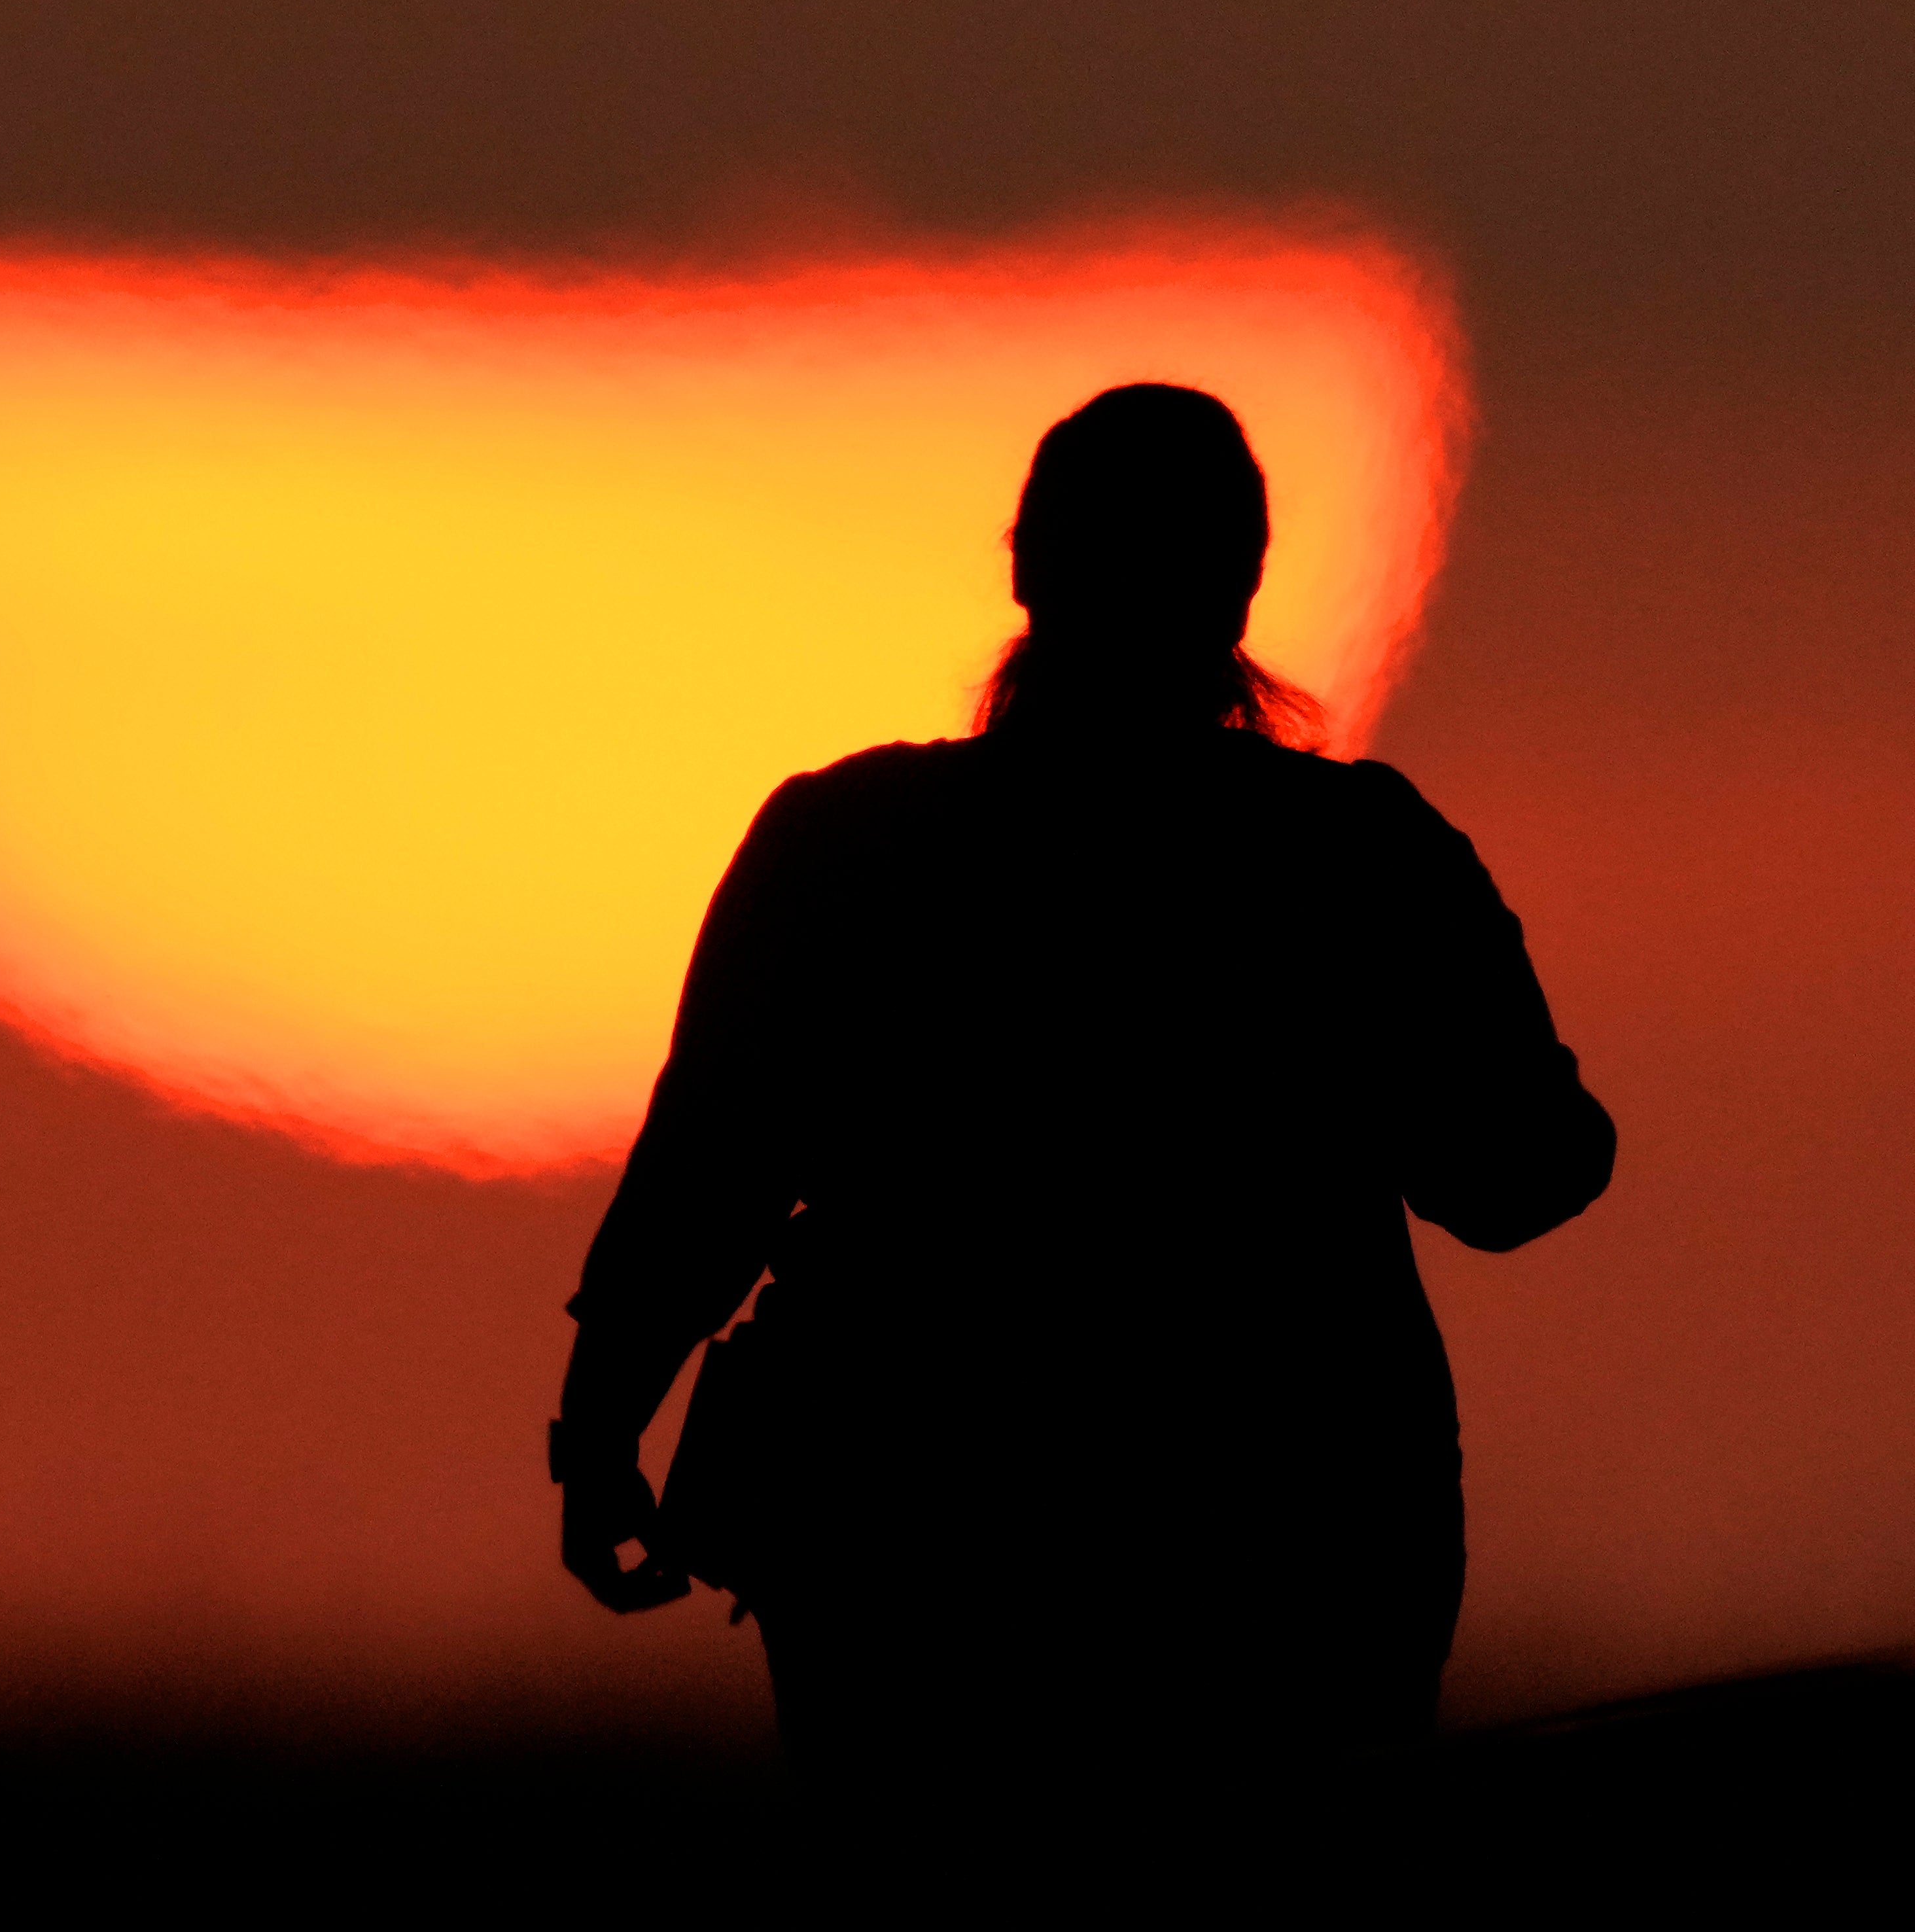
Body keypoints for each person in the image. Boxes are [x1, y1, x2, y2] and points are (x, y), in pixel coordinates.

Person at [552, 383, 1614, 1791]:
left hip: (910, 1547)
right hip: (1290, 1542)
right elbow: (1515, 1176)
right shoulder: (1358, 859)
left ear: (1022, 567)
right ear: (1238, 581)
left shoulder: (846, 846)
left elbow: (708, 1173)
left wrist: (600, 1430)